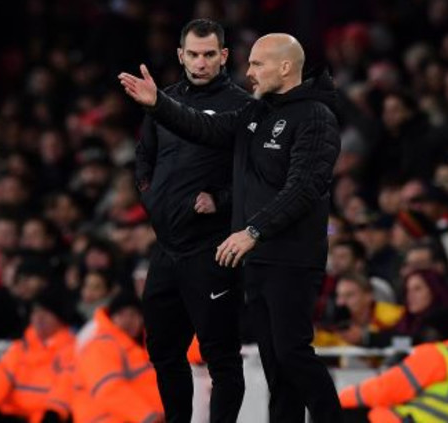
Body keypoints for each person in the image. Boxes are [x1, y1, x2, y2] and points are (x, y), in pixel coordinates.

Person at [119, 32, 343, 422]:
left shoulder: (316, 116)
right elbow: (205, 128)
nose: (249, 71)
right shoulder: (256, 112)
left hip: (291, 257)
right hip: (256, 259)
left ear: (285, 67)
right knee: (276, 364)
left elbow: (304, 187)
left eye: (257, 63)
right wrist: (159, 104)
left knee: (292, 353)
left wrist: (253, 230)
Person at [134, 18, 250, 423]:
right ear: (181, 55)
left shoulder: (241, 106)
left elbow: (257, 175)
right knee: (164, 352)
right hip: (167, 249)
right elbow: (144, 156)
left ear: (224, 56)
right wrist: (149, 195)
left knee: (222, 357)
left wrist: (221, 200)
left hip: (212, 249)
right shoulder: (161, 100)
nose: (201, 63)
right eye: (194, 55)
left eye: (209, 54)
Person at [339, 309, 448, 423]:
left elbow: (386, 389)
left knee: (346, 414)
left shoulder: (436, 354)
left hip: (417, 420)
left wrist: (338, 399)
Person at [45, 291, 164, 423]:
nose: (128, 320)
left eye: (134, 314)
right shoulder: (100, 346)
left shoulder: (143, 344)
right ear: (112, 317)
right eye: (121, 314)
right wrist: (147, 417)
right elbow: (109, 389)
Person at [0, 288, 74, 423]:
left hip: (47, 417)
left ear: (60, 318)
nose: (39, 317)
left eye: (46, 312)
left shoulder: (71, 351)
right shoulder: (20, 349)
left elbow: (64, 389)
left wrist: (54, 413)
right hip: (15, 416)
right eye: (35, 311)